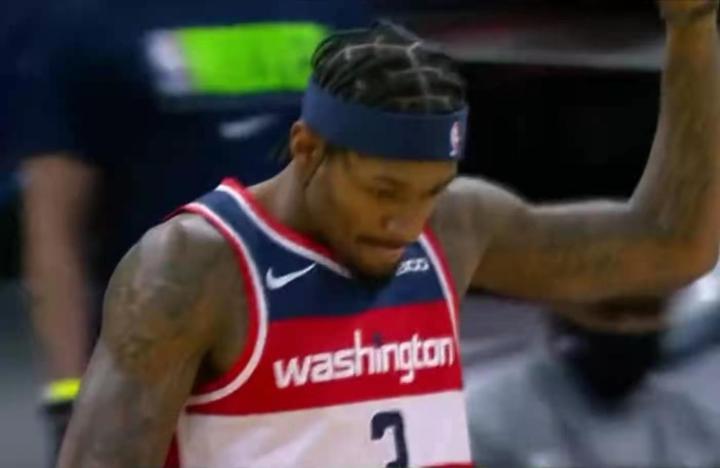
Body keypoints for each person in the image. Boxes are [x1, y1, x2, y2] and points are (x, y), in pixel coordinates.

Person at [60, 1, 720, 466]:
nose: (406, 222)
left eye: (430, 190)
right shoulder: (195, 266)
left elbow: (671, 245)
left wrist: (692, 27)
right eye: (384, 191)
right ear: (308, 148)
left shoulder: (454, 228)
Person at [7, 0, 372, 460]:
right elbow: (55, 227)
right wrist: (69, 393)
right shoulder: (81, 23)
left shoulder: (337, 13)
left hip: (329, 358)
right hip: (162, 373)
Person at [466, 297, 720, 468]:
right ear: (563, 320)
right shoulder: (492, 421)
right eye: (613, 312)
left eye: (646, 311)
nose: (630, 329)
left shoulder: (694, 426)